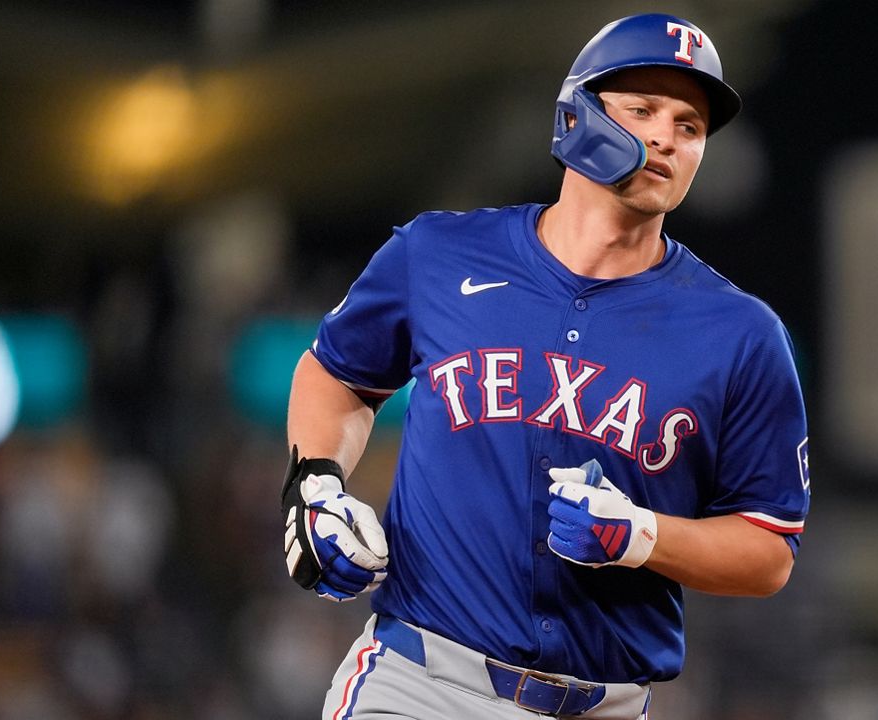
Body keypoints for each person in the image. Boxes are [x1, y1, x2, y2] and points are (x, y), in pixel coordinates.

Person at [281, 13, 810, 720]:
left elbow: (767, 548)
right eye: (643, 109)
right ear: (578, 116)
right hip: (421, 682)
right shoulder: (438, 254)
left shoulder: (741, 334)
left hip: (604, 704)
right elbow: (337, 373)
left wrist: (641, 535)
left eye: (690, 126)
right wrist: (316, 484)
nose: (666, 137)